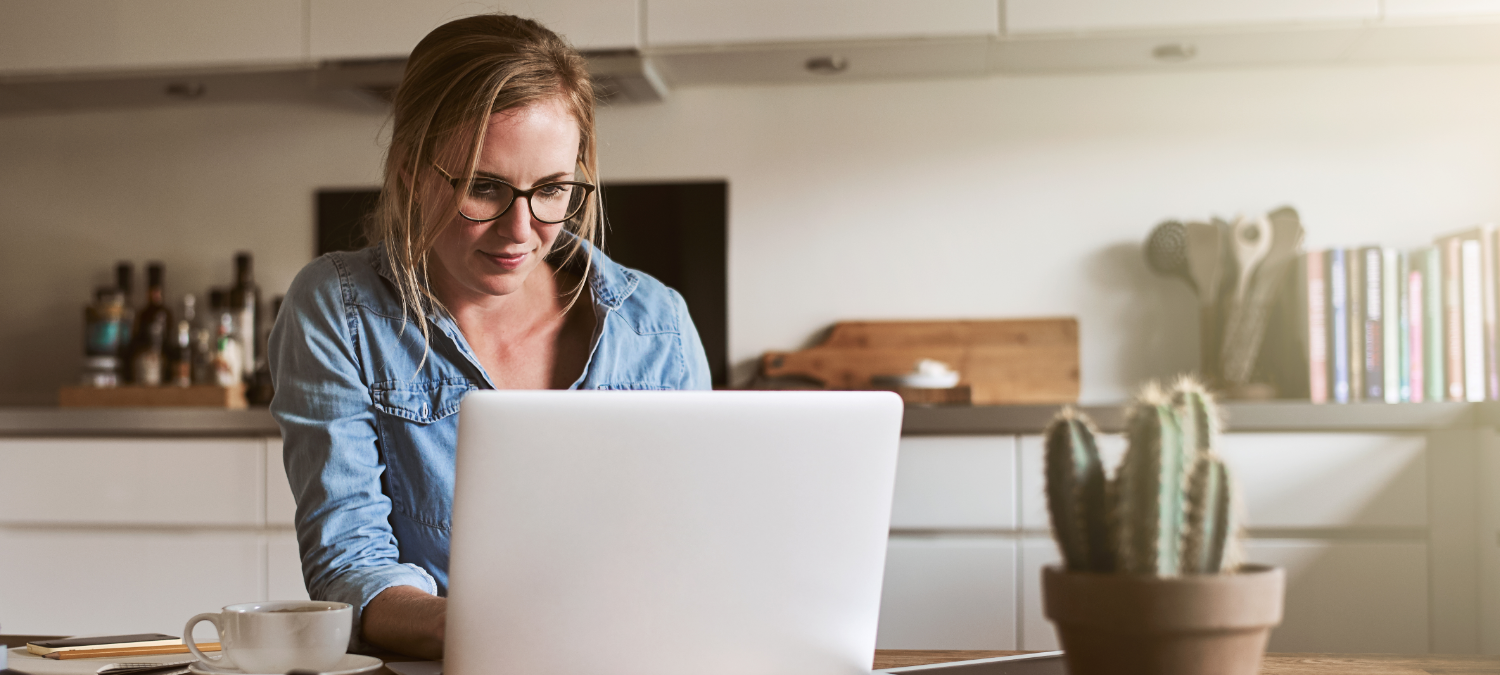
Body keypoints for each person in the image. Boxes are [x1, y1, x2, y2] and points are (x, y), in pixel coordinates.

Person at [267, 14, 712, 660]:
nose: (520, 231)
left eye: (552, 189)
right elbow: (351, 565)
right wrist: (487, 628)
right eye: (484, 187)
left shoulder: (657, 323)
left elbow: (695, 546)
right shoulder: (338, 311)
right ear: (407, 172)